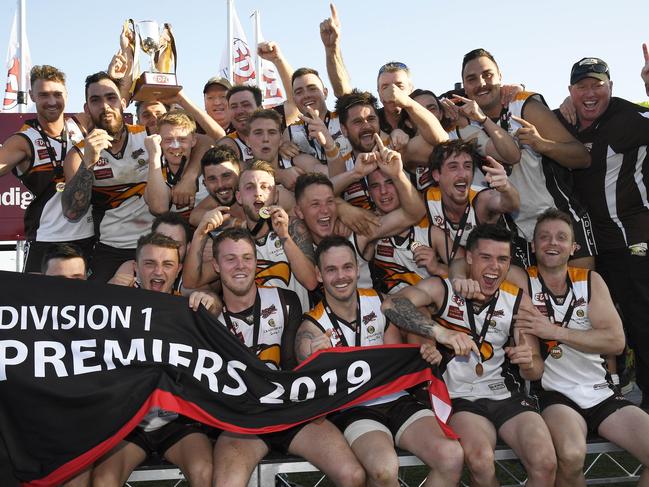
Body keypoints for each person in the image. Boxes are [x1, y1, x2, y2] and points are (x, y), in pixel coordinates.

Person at [382, 224, 557, 487]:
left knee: (545, 463)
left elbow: (535, 370)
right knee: (480, 460)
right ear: (470, 259)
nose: (494, 267)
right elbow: (391, 304)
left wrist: (528, 362)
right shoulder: (443, 288)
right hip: (460, 397)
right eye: (486, 257)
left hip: (505, 394)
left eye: (502, 259)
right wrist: (441, 333)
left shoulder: (517, 299)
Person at [295, 236, 464, 487]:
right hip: (354, 409)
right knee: (384, 469)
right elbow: (303, 353)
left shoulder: (379, 301)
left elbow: (400, 325)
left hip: (396, 399)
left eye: (347, 267)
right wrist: (314, 355)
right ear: (319, 274)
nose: (341, 276)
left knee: (451, 456)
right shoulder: (313, 324)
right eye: (331, 269)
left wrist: (430, 349)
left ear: (357, 268)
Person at [209, 228, 365, 487]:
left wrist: (313, 355)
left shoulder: (285, 300)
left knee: (353, 475)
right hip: (244, 422)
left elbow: (294, 364)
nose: (240, 266)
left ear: (256, 261)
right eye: (230, 259)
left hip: (292, 412)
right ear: (216, 265)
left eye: (247, 258)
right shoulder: (210, 316)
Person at [514, 208, 649, 487]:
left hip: (600, 391)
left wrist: (553, 331)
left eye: (561, 237)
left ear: (573, 247)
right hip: (554, 395)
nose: (553, 243)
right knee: (572, 455)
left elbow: (615, 341)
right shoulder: (521, 281)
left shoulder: (590, 280)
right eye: (544, 237)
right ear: (533, 245)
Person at [557, 55, 649, 408]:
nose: (590, 93)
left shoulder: (631, 118)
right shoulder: (564, 123)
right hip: (593, 249)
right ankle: (612, 392)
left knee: (642, 321)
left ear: (612, 86)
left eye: (598, 84)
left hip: (634, 241)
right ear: (571, 91)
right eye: (582, 86)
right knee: (601, 323)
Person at [92, 232, 216, 486]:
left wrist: (212, 304)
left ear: (179, 269)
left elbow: (214, 307)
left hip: (176, 420)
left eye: (167, 264)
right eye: (150, 264)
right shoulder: (114, 309)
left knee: (204, 470)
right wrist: (105, 300)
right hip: (129, 423)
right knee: (104, 479)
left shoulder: (189, 308)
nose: (158, 272)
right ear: (136, 268)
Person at [461, 48, 594, 268]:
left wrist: (542, 145)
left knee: (583, 295)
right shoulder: (464, 123)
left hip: (561, 219)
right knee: (532, 303)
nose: (481, 83)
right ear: (464, 87)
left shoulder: (523, 106)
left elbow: (582, 157)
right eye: (471, 79)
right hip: (517, 233)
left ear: (500, 76)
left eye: (487, 74)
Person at [183, 161, 317, 311]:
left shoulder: (292, 227)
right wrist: (199, 234)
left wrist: (284, 236)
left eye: (265, 187)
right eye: (249, 187)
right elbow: (190, 283)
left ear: (275, 196)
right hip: (255, 330)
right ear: (239, 197)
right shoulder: (232, 241)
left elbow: (311, 282)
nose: (258, 193)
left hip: (297, 327)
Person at [0, 65, 94, 272]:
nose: (52, 101)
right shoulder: (23, 140)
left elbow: (113, 99)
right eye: (43, 95)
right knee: (37, 302)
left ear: (67, 95)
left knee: (88, 302)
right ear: (32, 96)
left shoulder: (81, 126)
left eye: (57, 94)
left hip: (88, 239)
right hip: (47, 240)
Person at [61, 71, 153, 282]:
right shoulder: (78, 154)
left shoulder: (147, 135)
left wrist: (191, 173)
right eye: (95, 100)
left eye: (111, 98)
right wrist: (89, 163)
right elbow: (72, 213)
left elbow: (201, 141)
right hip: (110, 249)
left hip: (155, 243)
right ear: (87, 109)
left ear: (122, 102)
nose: (104, 106)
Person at [424, 139, 520, 262]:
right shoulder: (429, 199)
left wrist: (506, 187)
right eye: (453, 167)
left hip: (501, 268)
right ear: (437, 175)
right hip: (460, 271)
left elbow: (511, 204)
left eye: (467, 166)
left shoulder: (482, 199)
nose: (463, 174)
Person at [189, 146, 244, 227]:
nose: (220, 185)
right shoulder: (215, 199)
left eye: (226, 176)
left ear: (240, 175)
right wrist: (236, 223)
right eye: (212, 179)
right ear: (205, 184)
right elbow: (194, 217)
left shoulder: (257, 192)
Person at [217, 85, 263, 163]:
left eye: (246, 105)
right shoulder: (226, 146)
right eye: (234, 107)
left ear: (260, 109)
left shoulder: (281, 139)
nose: (239, 111)